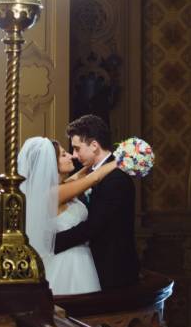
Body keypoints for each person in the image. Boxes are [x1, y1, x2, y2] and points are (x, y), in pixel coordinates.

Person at [17, 136, 115, 295]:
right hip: (68, 264)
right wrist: (122, 160)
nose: (71, 156)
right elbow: (94, 178)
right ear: (51, 163)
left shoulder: (59, 187)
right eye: (63, 155)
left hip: (81, 258)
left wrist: (95, 161)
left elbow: (81, 175)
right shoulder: (52, 194)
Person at [54, 115, 140, 289]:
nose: (74, 155)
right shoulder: (91, 174)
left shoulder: (116, 178)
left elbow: (94, 226)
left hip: (112, 271)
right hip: (88, 267)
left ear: (94, 145)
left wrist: (53, 244)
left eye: (77, 148)